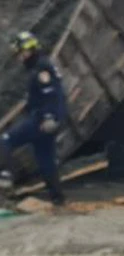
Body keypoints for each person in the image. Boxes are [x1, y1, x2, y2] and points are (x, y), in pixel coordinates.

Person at [0, 32, 67, 206]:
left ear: (29, 49)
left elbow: (51, 94)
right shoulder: (42, 65)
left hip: (42, 120)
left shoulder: (41, 68)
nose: (20, 57)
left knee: (5, 140)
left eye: (21, 52)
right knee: (45, 158)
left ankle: (6, 178)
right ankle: (58, 200)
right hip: (49, 120)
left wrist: (49, 117)